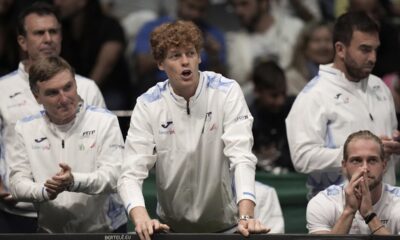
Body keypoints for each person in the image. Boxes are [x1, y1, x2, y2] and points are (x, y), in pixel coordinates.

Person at [118, 20, 269, 239]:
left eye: (190, 53)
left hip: (226, 227)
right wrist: (141, 218)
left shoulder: (227, 92)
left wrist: (246, 217)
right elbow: (130, 173)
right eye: (175, 56)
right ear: (160, 64)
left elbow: (242, 157)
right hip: (171, 231)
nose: (185, 61)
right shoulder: (148, 104)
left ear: (199, 56)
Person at [0, 2, 105, 233]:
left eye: (54, 31)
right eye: (39, 33)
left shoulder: (87, 88)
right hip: (19, 211)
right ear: (22, 41)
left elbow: (106, 153)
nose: (48, 38)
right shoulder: (2, 89)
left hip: (82, 211)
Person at [286, 11, 400, 199]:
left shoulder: (380, 87)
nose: (373, 58)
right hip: (337, 213)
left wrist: (394, 147)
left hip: (385, 210)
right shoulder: (314, 95)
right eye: (365, 49)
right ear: (340, 49)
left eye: (375, 49)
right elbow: (302, 158)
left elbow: (390, 161)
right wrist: (359, 153)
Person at [9, 56, 127, 233]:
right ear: (36, 96)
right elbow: (17, 183)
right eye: (52, 92)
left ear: (76, 85)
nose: (64, 98)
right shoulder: (25, 128)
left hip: (104, 230)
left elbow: (115, 176)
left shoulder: (104, 121)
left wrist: (74, 181)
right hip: (50, 231)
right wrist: (45, 191)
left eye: (68, 87)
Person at [307, 130, 400, 234]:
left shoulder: (397, 202)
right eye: (356, 160)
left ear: (384, 166)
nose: (365, 168)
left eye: (372, 160)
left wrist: (369, 214)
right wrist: (349, 211)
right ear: (344, 166)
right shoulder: (323, 202)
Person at [133, 0, 227, 95]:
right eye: (191, 7)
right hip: (159, 90)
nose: (195, 14)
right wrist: (167, 48)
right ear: (180, 3)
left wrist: (214, 56)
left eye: (201, 10)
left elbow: (220, 79)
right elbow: (142, 64)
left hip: (201, 93)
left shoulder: (213, 35)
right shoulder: (154, 28)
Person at [53, 0, 132, 110]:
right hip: (71, 89)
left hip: (108, 90)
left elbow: (105, 67)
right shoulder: (61, 30)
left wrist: (82, 94)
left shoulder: (110, 27)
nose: (57, 3)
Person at [227, 0, 304, 89]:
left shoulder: (294, 28)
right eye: (235, 6)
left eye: (244, 4)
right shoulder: (235, 42)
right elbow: (238, 80)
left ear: (263, 3)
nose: (238, 11)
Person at [249, 60, 295, 173]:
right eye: (274, 96)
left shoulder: (294, 109)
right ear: (257, 91)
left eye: (283, 94)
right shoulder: (248, 119)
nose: (280, 101)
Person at [286, 21, 334, 96]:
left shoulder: (344, 75)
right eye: (316, 41)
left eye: (328, 40)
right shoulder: (293, 78)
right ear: (304, 46)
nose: (323, 46)